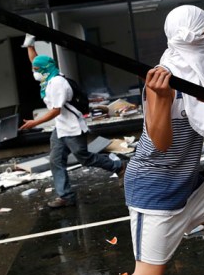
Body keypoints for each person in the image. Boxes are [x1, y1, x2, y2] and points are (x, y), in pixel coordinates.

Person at [110, 5, 204, 275]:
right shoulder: (163, 79)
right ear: (192, 36)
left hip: (187, 181)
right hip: (155, 185)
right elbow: (160, 143)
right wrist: (161, 98)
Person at [19, 34, 125, 208]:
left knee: (84, 158)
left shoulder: (58, 83)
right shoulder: (48, 78)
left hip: (72, 128)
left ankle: (119, 166)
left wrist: (34, 123)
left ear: (44, 69)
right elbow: (35, 62)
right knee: (56, 160)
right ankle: (65, 196)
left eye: (37, 70)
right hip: (60, 129)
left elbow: (55, 111)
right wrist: (30, 45)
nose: (34, 72)